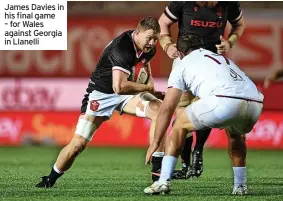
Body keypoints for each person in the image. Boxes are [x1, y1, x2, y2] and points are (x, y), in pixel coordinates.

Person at [35, 16, 166, 188]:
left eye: (155, 39)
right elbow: (118, 86)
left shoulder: (149, 49)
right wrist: (147, 89)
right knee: (77, 145)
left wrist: (152, 90)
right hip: (101, 95)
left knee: (160, 110)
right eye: (149, 38)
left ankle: (158, 178)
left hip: (126, 94)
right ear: (137, 33)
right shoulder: (122, 47)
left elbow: (144, 67)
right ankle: (50, 179)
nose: (152, 43)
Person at [144, 34, 263, 195]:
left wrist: (155, 142)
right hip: (255, 102)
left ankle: (163, 181)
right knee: (236, 136)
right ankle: (240, 186)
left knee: (179, 125)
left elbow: (167, 107)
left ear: (180, 52)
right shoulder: (217, 57)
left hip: (225, 101)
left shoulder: (181, 62)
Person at [158, 1, 246, 179]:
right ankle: (185, 165)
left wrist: (229, 42)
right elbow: (163, 23)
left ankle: (198, 152)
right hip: (185, 59)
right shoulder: (182, 2)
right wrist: (167, 44)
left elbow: (239, 24)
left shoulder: (229, 4)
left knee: (205, 107)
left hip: (212, 66)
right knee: (181, 112)